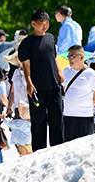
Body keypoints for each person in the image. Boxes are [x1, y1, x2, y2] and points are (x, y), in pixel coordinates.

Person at [19, 9, 64, 151]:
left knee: (57, 117)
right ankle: (39, 151)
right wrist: (29, 83)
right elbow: (26, 65)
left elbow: (54, 56)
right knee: (38, 121)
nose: (45, 26)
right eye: (41, 23)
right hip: (37, 87)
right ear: (33, 24)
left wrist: (59, 71)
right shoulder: (26, 43)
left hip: (54, 85)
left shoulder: (50, 37)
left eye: (47, 23)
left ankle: (58, 148)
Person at [62, 46, 95, 142]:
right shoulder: (66, 70)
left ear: (81, 57)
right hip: (67, 115)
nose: (69, 59)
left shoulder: (91, 74)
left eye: (72, 56)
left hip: (84, 116)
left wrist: (89, 106)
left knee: (83, 145)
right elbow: (65, 89)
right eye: (68, 56)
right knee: (67, 145)